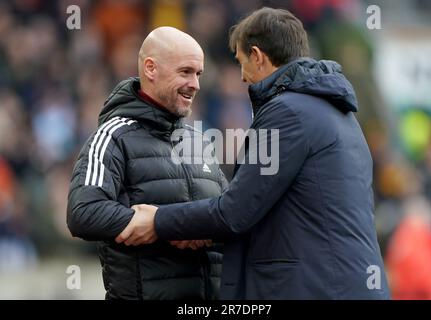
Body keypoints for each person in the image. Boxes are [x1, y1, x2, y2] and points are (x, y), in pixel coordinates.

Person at [116, 8, 391, 299]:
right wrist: (202, 231)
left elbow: (236, 211)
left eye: (241, 62)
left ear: (258, 56)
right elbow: (281, 217)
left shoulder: (287, 113)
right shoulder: (338, 114)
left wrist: (158, 221)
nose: (243, 77)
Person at [66, 26, 228, 300]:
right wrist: (156, 225)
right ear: (151, 69)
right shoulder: (113, 136)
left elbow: (230, 214)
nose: (196, 84)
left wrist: (172, 224)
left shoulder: (199, 141)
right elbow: (83, 211)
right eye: (185, 72)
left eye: (198, 74)